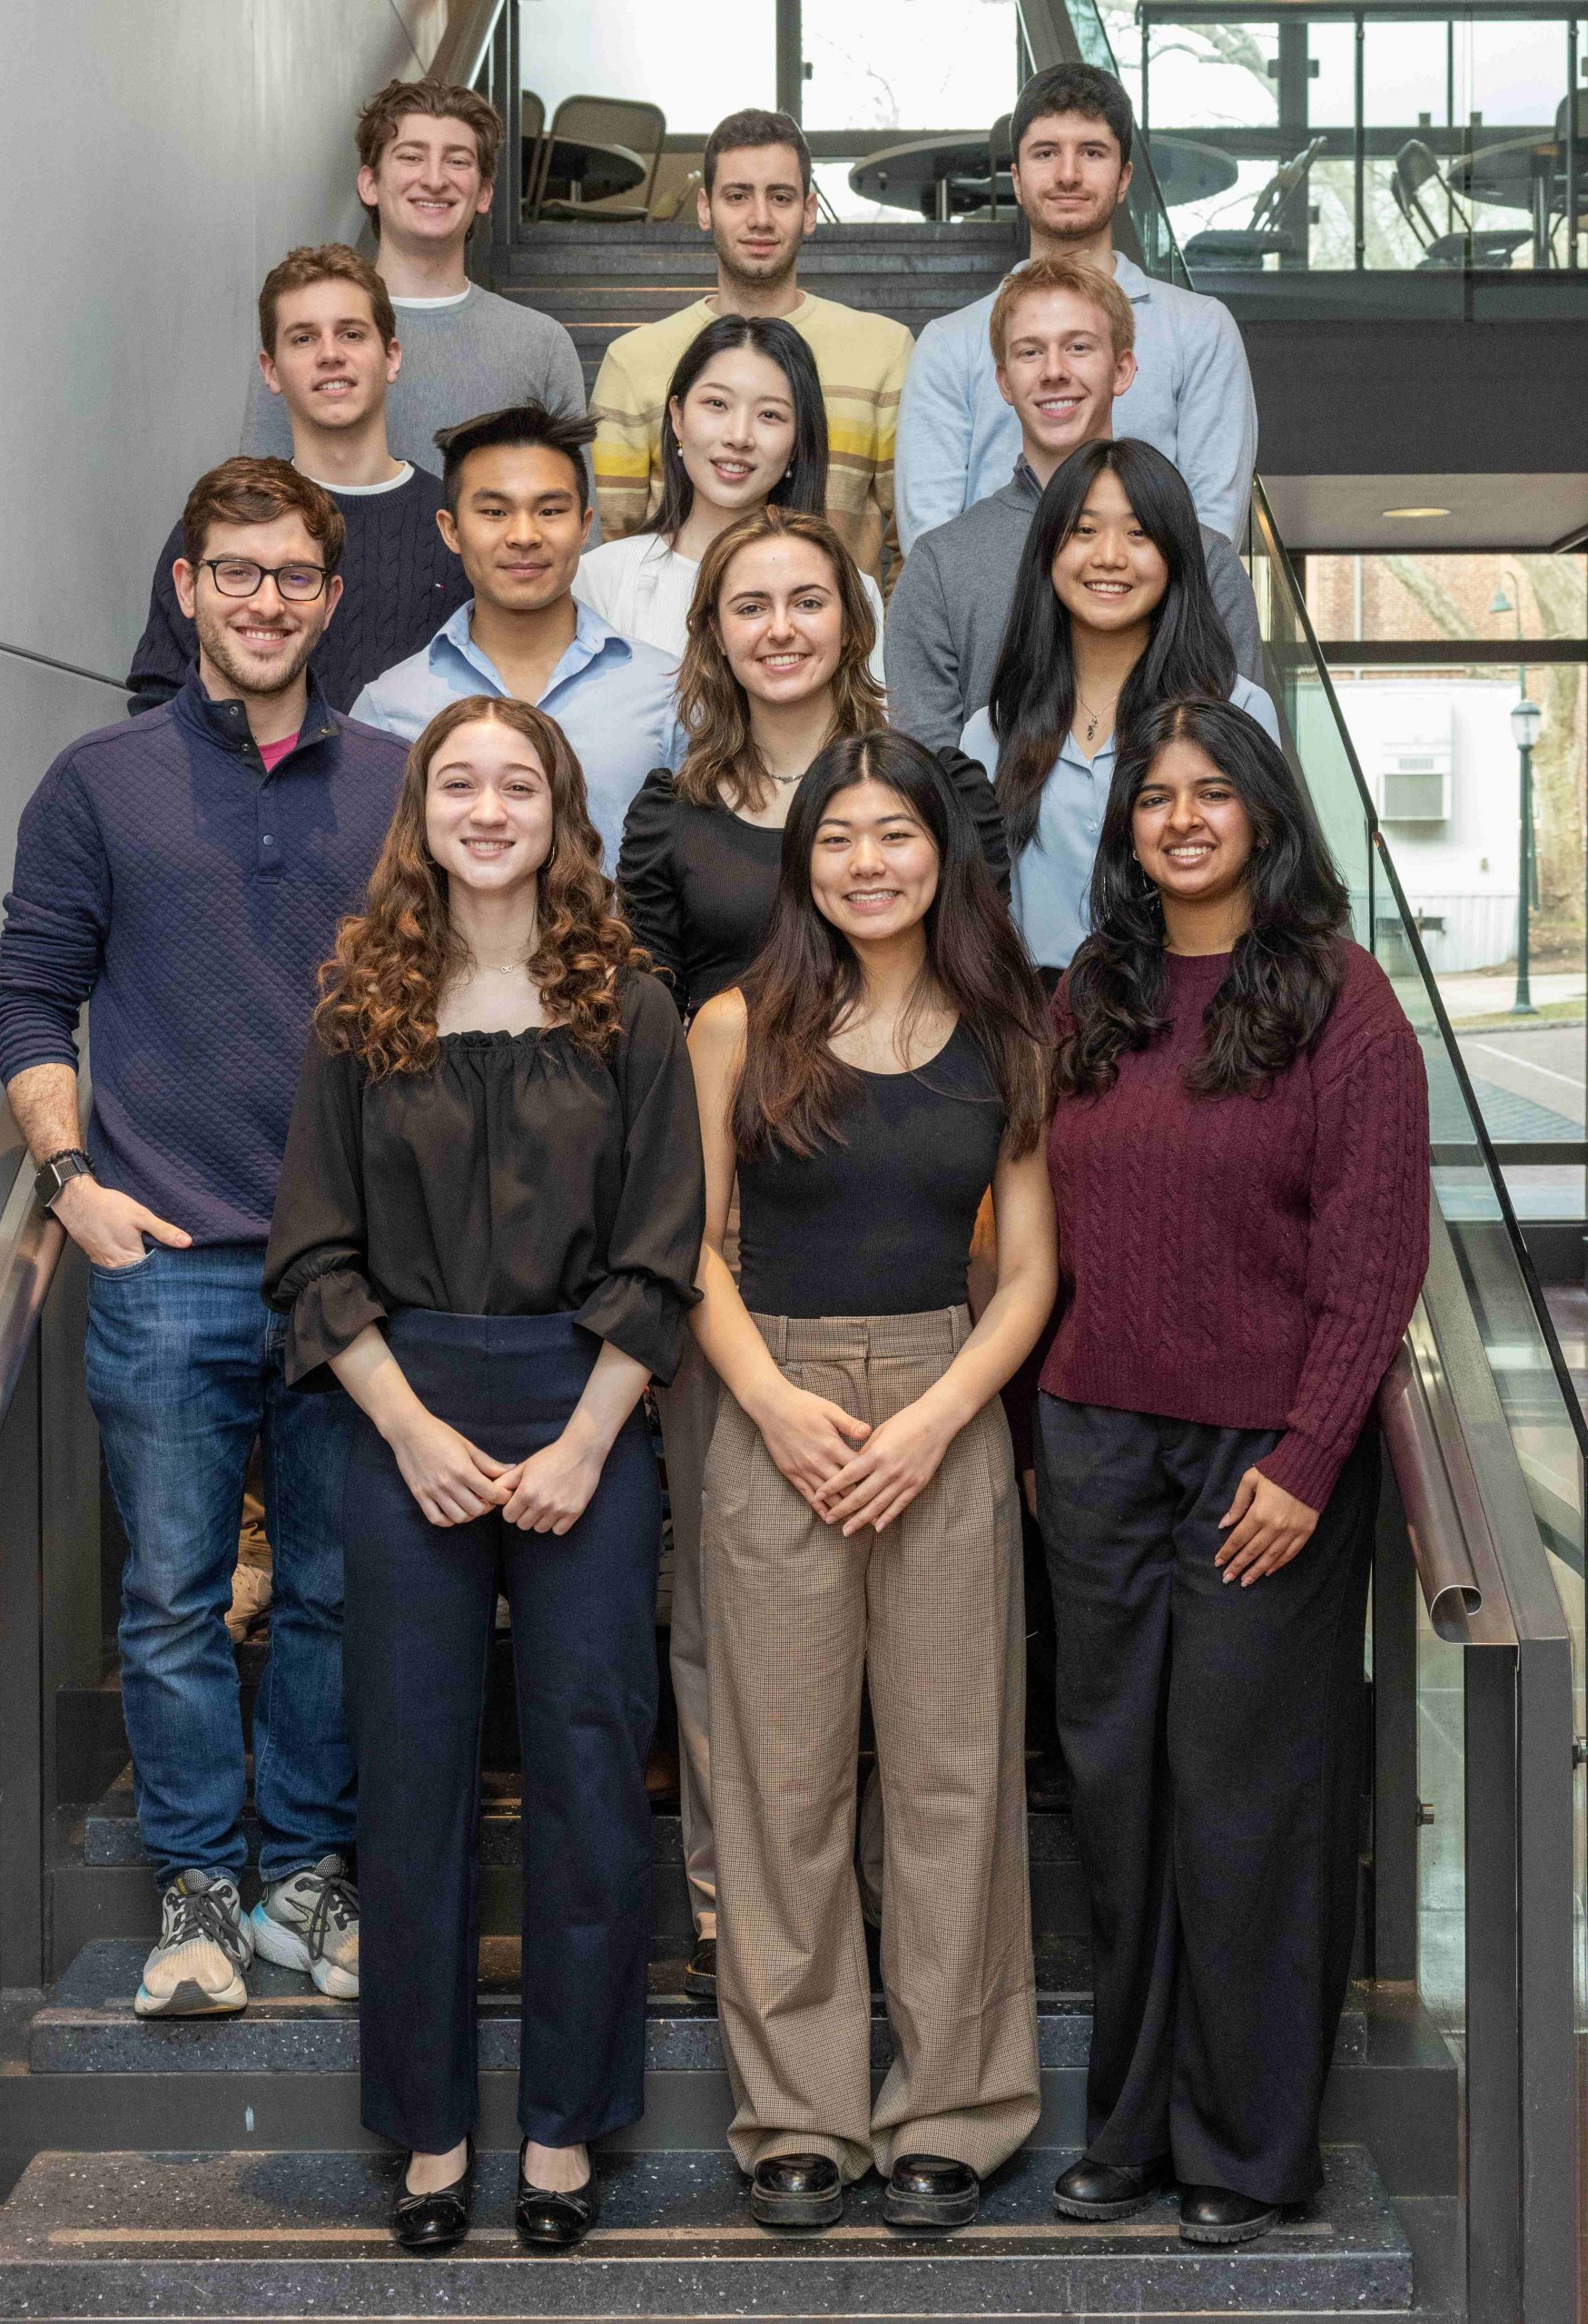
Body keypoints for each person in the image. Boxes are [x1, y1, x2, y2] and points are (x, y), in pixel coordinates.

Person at [263, 696, 704, 2254]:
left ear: (558, 809)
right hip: (406, 1418)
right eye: (459, 781)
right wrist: (406, 1427)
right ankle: (434, 2127)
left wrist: (586, 1439)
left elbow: (663, 1250)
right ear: (420, 812)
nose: (488, 805)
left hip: (589, 1412)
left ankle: (569, 2127)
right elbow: (312, 1246)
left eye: (519, 781)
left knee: (590, 1773)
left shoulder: (628, 1006)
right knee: (415, 1777)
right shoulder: (357, 1007)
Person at [0, 459, 409, 2019]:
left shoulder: (400, 781)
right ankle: (200, 1890)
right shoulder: (99, 781)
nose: (262, 600)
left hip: (354, 1269)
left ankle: (303, 1871)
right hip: (164, 1264)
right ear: (185, 588)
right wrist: (70, 1176)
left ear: (329, 593)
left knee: (334, 1589)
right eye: (233, 571)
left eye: (293, 574)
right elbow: (32, 995)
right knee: (169, 1597)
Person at [1039, 695, 1429, 2244]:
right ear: (1125, 827)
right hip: (1093, 1447)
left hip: (1260, 1464)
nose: (1181, 818)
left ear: (1263, 814)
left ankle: (1244, 2151)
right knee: (1121, 1796)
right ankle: (1125, 2131)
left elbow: (1373, 1254)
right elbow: (1046, 1233)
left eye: (1212, 794)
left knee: (1243, 1804)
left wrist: (1309, 1452)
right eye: (1154, 797)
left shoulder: (1340, 999)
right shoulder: (1091, 994)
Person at [616, 507, 1006, 2004]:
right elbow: (644, 1017)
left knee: (922, 1647)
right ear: (712, 633)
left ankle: (917, 1942)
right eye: (746, 606)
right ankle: (741, 1911)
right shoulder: (672, 812)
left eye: (806, 601)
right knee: (728, 1619)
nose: (778, 628)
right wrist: (694, 1203)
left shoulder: (931, 787)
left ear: (851, 619)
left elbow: (972, 996)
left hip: (902, 1223)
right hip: (734, 1232)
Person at [688, 733, 1057, 2231]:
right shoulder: (732, 1022)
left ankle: (954, 2111)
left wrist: (936, 1417)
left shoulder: (1007, 1029)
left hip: (944, 1397)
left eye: (892, 834)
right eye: (834, 837)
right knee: (775, 1777)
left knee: (954, 1769)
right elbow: (692, 1252)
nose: (864, 862)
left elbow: (1026, 1271)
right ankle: (797, 2116)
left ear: (938, 853)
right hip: (766, 1400)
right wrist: (771, 1403)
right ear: (801, 865)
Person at [888, 257, 1260, 758]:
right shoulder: (941, 565)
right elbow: (925, 771)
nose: (1054, 372)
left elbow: (1239, 767)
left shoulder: (1205, 560)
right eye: (1029, 352)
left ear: (1123, 369)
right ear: (1003, 381)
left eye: (1079, 347)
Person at [894, 63, 1255, 554]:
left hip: (1154, 626)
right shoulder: (949, 342)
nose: (1068, 174)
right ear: (1017, 181)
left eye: (1092, 152)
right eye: (1046, 153)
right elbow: (929, 544)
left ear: (1124, 176)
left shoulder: (1199, 329)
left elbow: (1212, 535)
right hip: (994, 627)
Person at [961, 438, 1280, 983]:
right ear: (1048, 551)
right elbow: (970, 909)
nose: (1109, 556)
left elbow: (1273, 882)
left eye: (1139, 533)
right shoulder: (992, 729)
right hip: (1036, 1024)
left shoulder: (1238, 708)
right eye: (1084, 531)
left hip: (1196, 1007)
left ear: (1174, 553)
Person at [130, 244, 469, 715]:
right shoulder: (224, 519)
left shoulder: (455, 527)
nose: (330, 355)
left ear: (390, 357)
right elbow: (160, 699)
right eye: (303, 339)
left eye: (351, 334)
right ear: (271, 370)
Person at [591, 109, 912, 584]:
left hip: (835, 645)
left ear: (809, 212)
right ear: (705, 209)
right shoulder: (633, 361)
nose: (759, 218)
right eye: (737, 196)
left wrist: (876, 647)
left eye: (780, 197)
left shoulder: (884, 350)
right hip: (663, 648)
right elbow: (611, 545)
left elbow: (914, 543)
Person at [353, 404, 683, 851]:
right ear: (450, 530)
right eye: (494, 512)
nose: (524, 535)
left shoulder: (668, 692)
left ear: (585, 526)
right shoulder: (390, 708)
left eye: (549, 511)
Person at [241, 79, 584, 472]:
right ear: (370, 184)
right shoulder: (307, 334)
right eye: (410, 157)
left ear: (484, 193)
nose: (435, 180)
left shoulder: (541, 344)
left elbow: (572, 518)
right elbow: (255, 496)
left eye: (457, 161)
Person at [577, 313, 884, 670]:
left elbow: (864, 724)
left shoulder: (851, 592)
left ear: (799, 439)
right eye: (717, 404)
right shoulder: (600, 577)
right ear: (677, 417)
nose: (739, 436)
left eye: (769, 415)